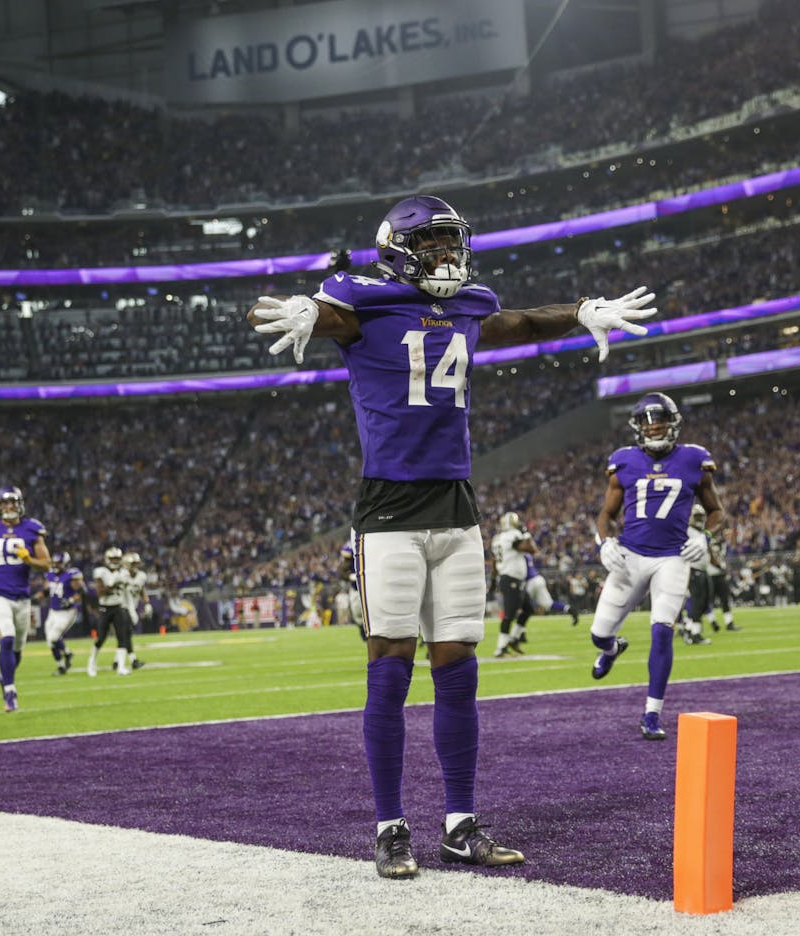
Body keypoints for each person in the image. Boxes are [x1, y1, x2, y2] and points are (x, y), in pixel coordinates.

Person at [247, 193, 654, 879]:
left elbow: (517, 321)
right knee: (389, 668)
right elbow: (330, 314)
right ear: (400, 247)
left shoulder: (468, 303)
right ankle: (389, 827)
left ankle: (461, 824)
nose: (446, 255)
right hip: (389, 513)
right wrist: (306, 311)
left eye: (450, 242)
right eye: (433, 244)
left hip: (458, 507)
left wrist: (581, 312)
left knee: (458, 673)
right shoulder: (363, 300)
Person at [587, 392, 724, 741]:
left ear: (673, 422)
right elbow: (606, 514)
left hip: (672, 557)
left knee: (662, 629)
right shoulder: (625, 461)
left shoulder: (694, 459)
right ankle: (611, 649)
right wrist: (604, 544)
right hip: (630, 556)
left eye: (659, 421)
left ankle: (652, 713)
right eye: (647, 424)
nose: (653, 429)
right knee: (598, 634)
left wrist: (705, 538)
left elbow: (717, 511)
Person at [0, 485, 51, 712]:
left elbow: (46, 563)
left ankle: (5, 676)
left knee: (17, 650)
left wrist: (30, 560)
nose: (10, 507)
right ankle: (10, 692)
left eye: (14, 502)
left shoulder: (32, 528)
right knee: (6, 638)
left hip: (22, 596)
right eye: (6, 503)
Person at [489, 511, 533, 657]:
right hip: (511, 578)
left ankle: (513, 639)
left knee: (528, 608)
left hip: (508, 578)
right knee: (509, 615)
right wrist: (526, 534)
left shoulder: (497, 538)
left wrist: (494, 580)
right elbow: (531, 549)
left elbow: (494, 561)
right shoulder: (513, 535)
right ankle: (501, 648)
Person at [88, 546, 133, 676]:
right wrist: (113, 584)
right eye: (112, 558)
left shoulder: (123, 572)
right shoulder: (101, 571)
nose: (115, 561)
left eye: (117, 559)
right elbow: (100, 592)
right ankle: (92, 662)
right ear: (107, 559)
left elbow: (127, 586)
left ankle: (121, 667)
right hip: (105, 608)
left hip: (118, 606)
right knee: (101, 637)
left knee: (122, 637)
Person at [43, 551, 85, 675]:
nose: (56, 565)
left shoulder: (72, 575)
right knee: (50, 641)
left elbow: (82, 591)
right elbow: (46, 590)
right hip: (53, 611)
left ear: (66, 564)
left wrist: (71, 600)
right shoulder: (50, 574)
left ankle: (67, 654)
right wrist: (36, 597)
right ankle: (62, 663)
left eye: (59, 563)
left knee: (53, 637)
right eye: (54, 563)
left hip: (67, 612)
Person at [679, 504, 713, 645]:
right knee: (696, 602)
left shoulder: (701, 532)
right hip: (692, 569)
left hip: (701, 570)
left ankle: (689, 628)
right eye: (697, 516)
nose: (699, 519)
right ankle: (694, 633)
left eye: (701, 516)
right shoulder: (687, 531)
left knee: (703, 602)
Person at [123, 551, 150, 669]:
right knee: (125, 634)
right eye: (132, 563)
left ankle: (118, 661)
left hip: (131, 608)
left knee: (124, 635)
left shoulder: (141, 576)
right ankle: (132, 660)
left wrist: (147, 603)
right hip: (120, 608)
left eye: (136, 563)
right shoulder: (122, 575)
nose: (135, 566)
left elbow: (142, 590)